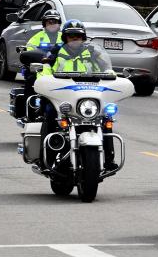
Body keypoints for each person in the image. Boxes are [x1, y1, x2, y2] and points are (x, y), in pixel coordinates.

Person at [41, 20, 117, 171]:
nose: (75, 38)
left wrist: (112, 75)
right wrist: (45, 82)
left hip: (89, 96)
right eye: (71, 36)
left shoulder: (93, 52)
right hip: (64, 96)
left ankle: (109, 159)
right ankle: (46, 159)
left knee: (106, 118)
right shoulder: (55, 53)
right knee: (49, 112)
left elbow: (108, 69)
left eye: (78, 36)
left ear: (83, 37)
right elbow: (45, 72)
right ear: (65, 38)